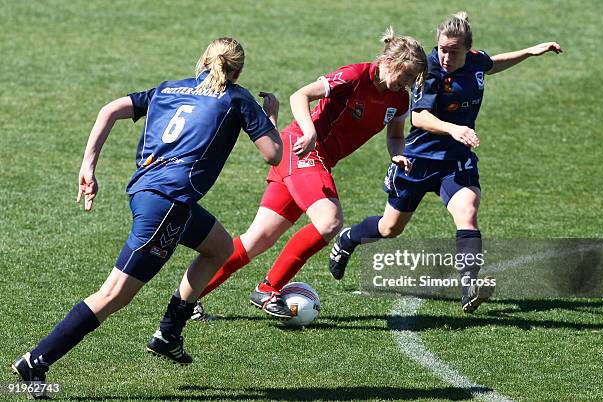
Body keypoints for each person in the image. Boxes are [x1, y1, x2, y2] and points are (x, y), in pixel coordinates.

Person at [12, 37, 281, 399]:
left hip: (148, 193)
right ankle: (35, 362)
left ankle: (168, 333)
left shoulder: (169, 88)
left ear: (203, 59)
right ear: (239, 70)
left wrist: (88, 167)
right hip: (169, 204)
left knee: (219, 246)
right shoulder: (238, 98)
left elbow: (109, 109)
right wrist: (270, 116)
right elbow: (273, 154)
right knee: (115, 294)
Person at [328, 12, 563, 313]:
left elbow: (492, 64)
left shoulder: (475, 61)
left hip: (455, 160)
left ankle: (469, 287)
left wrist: (530, 51)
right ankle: (348, 238)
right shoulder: (429, 70)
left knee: (468, 212)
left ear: (468, 50)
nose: (446, 56)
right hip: (417, 160)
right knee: (389, 229)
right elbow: (418, 116)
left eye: (454, 50)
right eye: (442, 48)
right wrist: (455, 129)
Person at [189, 27, 428, 322]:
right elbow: (300, 95)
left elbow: (395, 136)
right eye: (407, 76)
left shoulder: (398, 100)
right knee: (330, 221)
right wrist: (311, 131)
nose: (407, 84)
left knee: (258, 239)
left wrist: (398, 155)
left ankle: (186, 300)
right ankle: (267, 289)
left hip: (313, 161)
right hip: (301, 150)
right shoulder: (354, 76)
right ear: (393, 61)